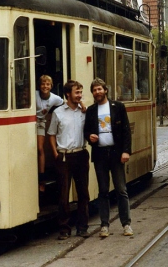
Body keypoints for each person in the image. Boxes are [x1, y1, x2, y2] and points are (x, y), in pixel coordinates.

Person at [84, 77, 133, 237]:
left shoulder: (118, 107)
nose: (97, 92)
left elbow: (126, 131)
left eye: (99, 89)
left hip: (116, 154)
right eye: (94, 90)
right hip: (100, 155)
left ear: (105, 90)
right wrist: (89, 137)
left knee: (121, 189)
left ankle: (126, 224)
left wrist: (126, 151)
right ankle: (104, 225)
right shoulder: (91, 110)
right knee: (103, 191)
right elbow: (86, 131)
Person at [47, 80, 90, 240]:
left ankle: (82, 228)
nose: (79, 96)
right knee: (63, 195)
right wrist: (55, 153)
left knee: (83, 193)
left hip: (81, 154)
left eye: (80, 92)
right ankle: (64, 229)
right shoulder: (58, 113)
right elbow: (51, 134)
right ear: (67, 94)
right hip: (64, 156)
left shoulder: (84, 111)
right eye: (76, 93)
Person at [36, 75, 63, 192]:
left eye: (48, 84)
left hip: (41, 122)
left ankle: (41, 180)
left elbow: (64, 104)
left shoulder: (55, 98)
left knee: (40, 149)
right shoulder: (35, 94)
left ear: (51, 86)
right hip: (29, 121)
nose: (45, 86)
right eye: (43, 84)